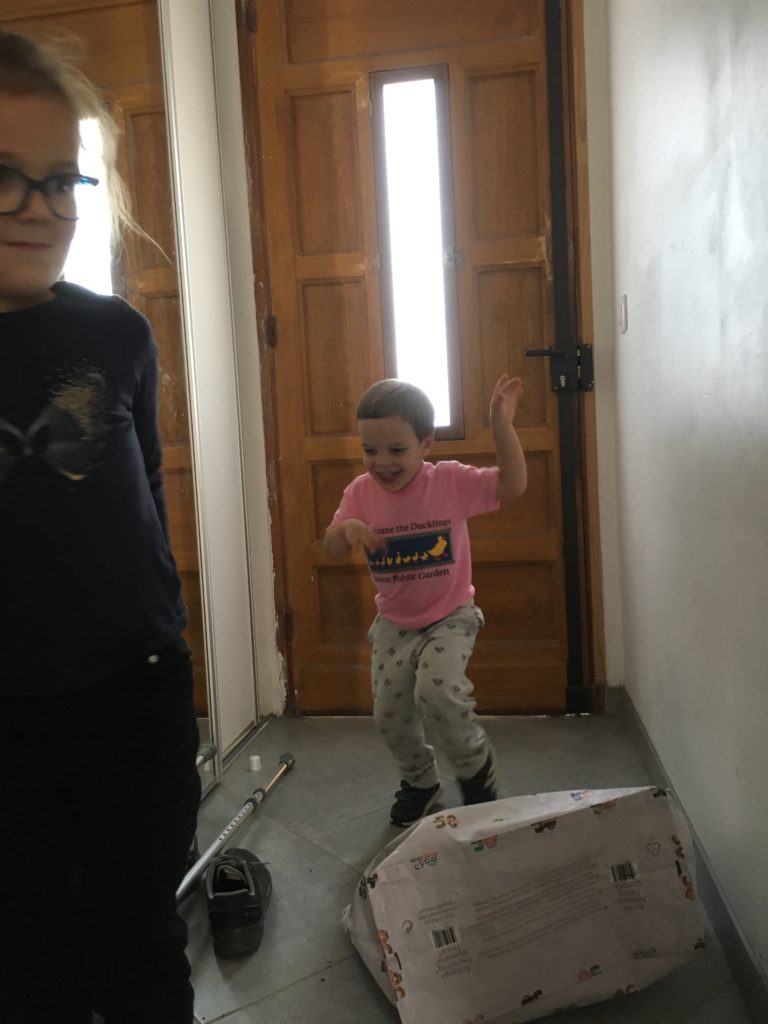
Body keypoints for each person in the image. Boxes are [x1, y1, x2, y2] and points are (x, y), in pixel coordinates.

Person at [0, 30, 200, 1024]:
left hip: (136, 697)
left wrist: (166, 631)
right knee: (30, 960)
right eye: (4, 177)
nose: (40, 208)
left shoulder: (116, 333)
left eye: (60, 180)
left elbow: (146, 491)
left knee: (141, 941)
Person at [324, 375, 527, 827]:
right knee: (389, 716)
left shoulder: (449, 482)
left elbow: (513, 486)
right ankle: (420, 782)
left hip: (450, 616)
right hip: (394, 623)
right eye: (370, 450)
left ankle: (475, 770)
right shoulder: (359, 493)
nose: (382, 462)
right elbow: (331, 545)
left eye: (397, 450)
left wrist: (501, 426)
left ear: (426, 443)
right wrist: (344, 532)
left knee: (437, 692)